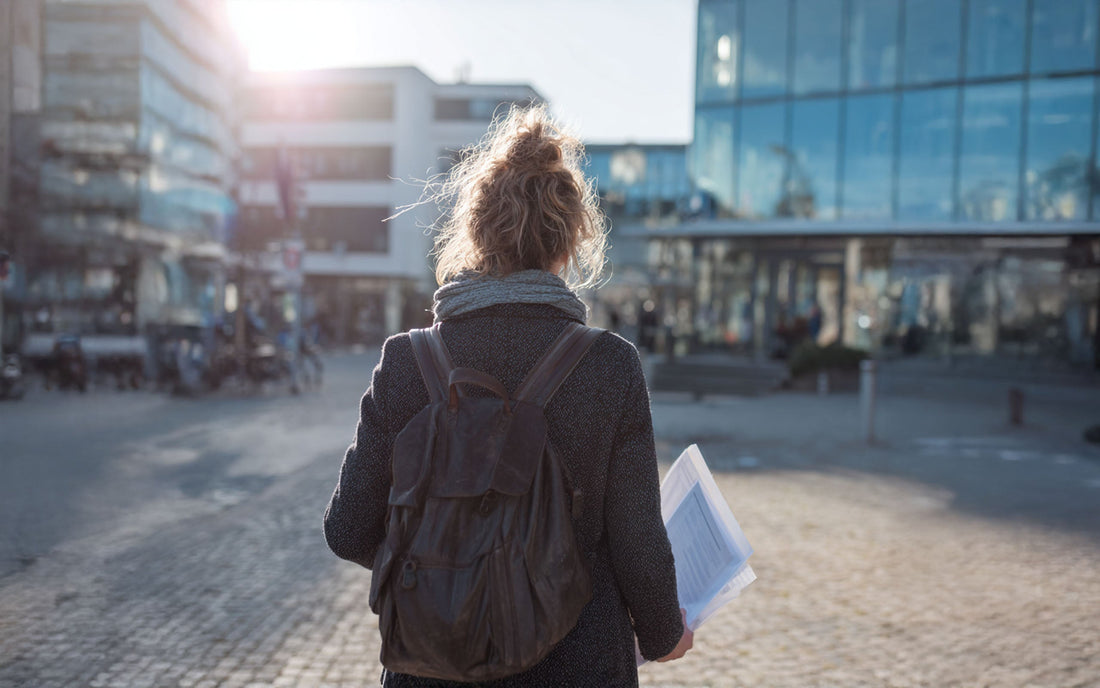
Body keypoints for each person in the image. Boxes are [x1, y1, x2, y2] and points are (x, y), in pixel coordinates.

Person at [323, 105, 692, 687]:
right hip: (579, 665)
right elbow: (637, 539)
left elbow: (348, 528)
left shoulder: (407, 361)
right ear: (570, 241)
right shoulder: (609, 366)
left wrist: (449, 569)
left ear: (475, 231)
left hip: (432, 666)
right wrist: (664, 633)